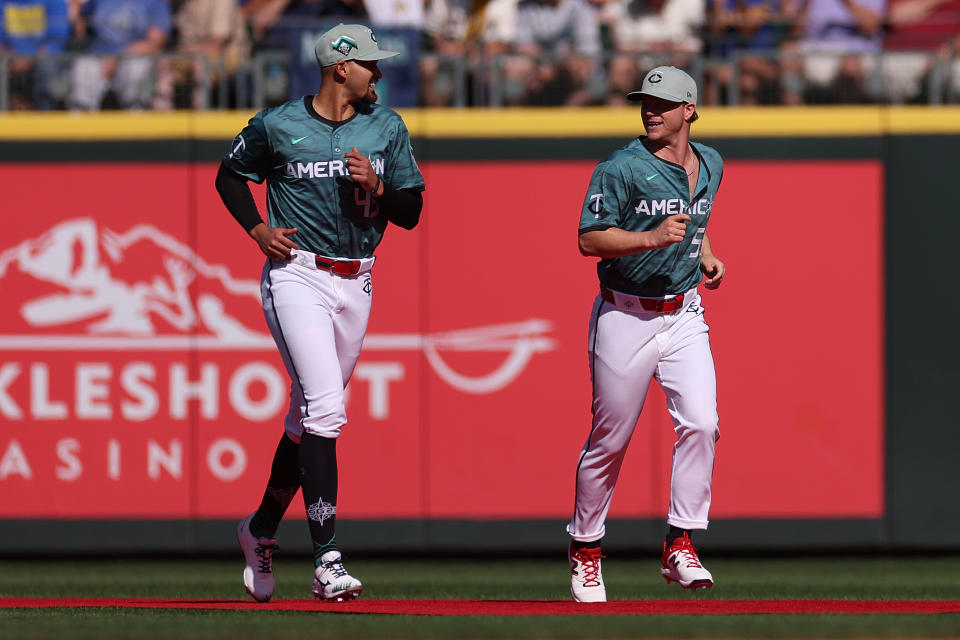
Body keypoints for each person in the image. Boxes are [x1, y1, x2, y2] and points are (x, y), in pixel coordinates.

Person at [214, 22, 425, 603]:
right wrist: (257, 228)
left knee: (305, 418)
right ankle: (327, 559)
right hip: (298, 273)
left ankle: (259, 529)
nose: (379, 73)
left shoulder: (386, 126)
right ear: (341, 68)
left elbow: (411, 213)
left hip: (356, 281)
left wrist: (379, 185)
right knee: (328, 410)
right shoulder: (279, 123)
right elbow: (229, 175)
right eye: (370, 65)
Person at [567, 66, 725, 602]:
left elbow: (695, 222)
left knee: (702, 423)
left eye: (662, 103)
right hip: (624, 313)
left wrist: (702, 254)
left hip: (683, 313)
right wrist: (652, 238)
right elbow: (590, 241)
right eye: (644, 102)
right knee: (610, 442)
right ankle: (586, 549)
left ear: (690, 110)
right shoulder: (620, 167)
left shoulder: (712, 164)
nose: (650, 110)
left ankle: (680, 541)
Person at [67, 0, 172, 110]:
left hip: (132, 58)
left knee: (135, 69)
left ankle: (135, 118)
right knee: (83, 67)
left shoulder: (155, 3)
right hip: (99, 58)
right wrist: (75, 12)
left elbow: (156, 41)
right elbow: (80, 24)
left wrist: (118, 58)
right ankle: (81, 121)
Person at [0, 0, 70, 109]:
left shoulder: (56, 2)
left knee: (47, 68)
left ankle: (46, 118)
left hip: (41, 61)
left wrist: (29, 59)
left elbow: (56, 42)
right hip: (9, 60)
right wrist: (10, 57)